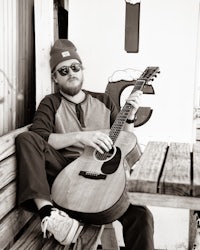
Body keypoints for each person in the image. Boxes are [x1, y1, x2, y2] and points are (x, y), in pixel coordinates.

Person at [15, 39, 154, 249]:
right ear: (55, 78)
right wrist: (80, 137)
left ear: (82, 70)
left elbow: (125, 143)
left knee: (141, 216)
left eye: (74, 67)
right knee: (26, 138)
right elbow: (40, 137)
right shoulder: (50, 103)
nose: (71, 73)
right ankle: (50, 216)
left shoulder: (105, 101)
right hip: (65, 175)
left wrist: (130, 117)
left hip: (103, 179)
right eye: (63, 71)